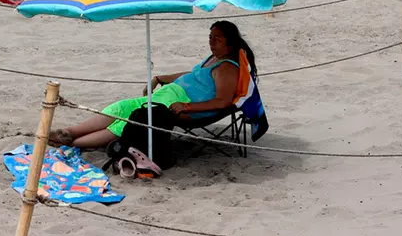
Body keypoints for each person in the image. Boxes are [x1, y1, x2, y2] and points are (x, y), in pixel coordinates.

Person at [48, 21, 253, 150]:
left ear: (231, 44)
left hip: (179, 104)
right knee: (120, 107)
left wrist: (188, 106)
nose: (211, 43)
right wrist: (160, 78)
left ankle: (72, 144)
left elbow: (223, 101)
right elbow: (192, 76)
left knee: (131, 120)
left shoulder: (228, 67)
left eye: (217, 39)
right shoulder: (214, 58)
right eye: (210, 38)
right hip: (168, 95)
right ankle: (69, 132)